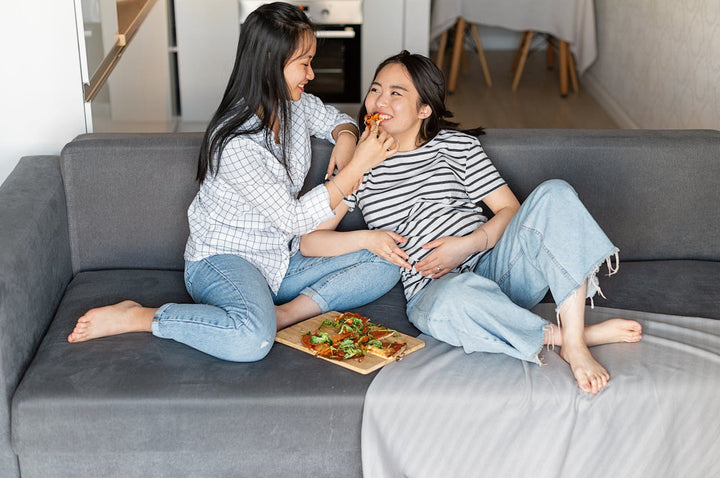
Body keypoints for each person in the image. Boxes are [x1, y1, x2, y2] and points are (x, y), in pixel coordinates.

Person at [67, 2, 404, 361]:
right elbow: (293, 219)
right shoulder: (236, 143)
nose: (311, 74)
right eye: (304, 63)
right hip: (224, 261)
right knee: (251, 340)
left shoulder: (294, 106)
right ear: (272, 61)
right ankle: (139, 316)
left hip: (280, 260)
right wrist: (358, 168)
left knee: (386, 260)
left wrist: (348, 140)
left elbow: (336, 120)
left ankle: (285, 314)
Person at [301, 51, 642, 394]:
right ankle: (566, 337)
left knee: (556, 192)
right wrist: (367, 238)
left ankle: (576, 344)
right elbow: (311, 241)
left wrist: (469, 244)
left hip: (496, 269)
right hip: (435, 291)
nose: (380, 100)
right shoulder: (361, 165)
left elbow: (510, 210)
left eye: (396, 93)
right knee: (456, 297)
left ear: (425, 109)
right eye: (375, 90)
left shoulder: (456, 146)